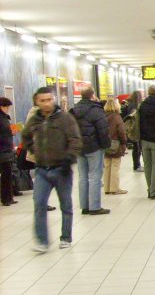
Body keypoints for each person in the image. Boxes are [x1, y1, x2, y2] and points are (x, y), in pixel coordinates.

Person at [21, 87, 82, 252]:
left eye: (49, 99)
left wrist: (69, 157)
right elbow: (25, 135)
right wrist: (33, 149)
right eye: (42, 100)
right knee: (39, 203)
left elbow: (75, 139)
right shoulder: (35, 120)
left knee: (66, 204)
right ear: (37, 102)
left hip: (61, 169)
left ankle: (66, 237)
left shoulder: (65, 118)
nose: (46, 103)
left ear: (53, 99)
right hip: (42, 170)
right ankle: (42, 241)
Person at [71, 87, 111, 215]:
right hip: (94, 147)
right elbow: (103, 129)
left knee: (82, 177)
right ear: (93, 96)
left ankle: (85, 206)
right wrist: (106, 145)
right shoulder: (96, 110)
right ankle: (95, 207)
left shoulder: (73, 110)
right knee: (95, 176)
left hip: (79, 148)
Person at [103, 98, 127, 195]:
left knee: (107, 166)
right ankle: (115, 188)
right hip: (116, 144)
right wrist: (124, 142)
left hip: (105, 144)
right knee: (115, 166)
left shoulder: (103, 117)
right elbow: (121, 131)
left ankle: (107, 188)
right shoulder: (117, 117)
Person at [122, 90, 143, 172]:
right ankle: (137, 165)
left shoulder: (129, 104)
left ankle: (136, 164)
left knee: (136, 147)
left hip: (131, 128)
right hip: (136, 128)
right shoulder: (136, 106)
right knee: (137, 148)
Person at [0, 97, 15, 206]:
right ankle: (6, 198)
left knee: (8, 174)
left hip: (6, 149)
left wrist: (11, 132)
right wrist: (10, 133)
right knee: (6, 175)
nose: (8, 109)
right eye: (7, 107)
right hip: (3, 150)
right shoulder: (1, 118)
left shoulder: (4, 117)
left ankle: (9, 197)